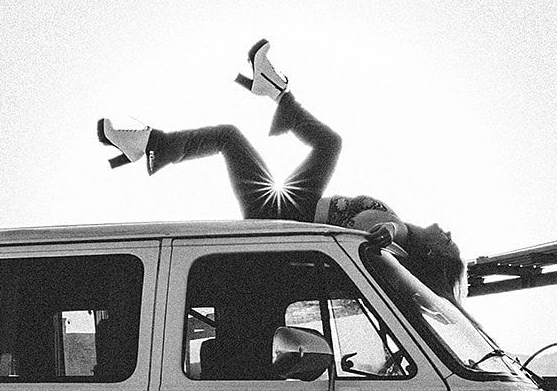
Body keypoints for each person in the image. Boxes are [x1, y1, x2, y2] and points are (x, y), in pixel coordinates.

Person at [96, 39, 466, 303]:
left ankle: (155, 144)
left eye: (448, 242)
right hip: (294, 205)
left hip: (283, 217)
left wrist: (386, 232)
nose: (448, 232)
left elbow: (386, 234)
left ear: (432, 254)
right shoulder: (399, 231)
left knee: (238, 138)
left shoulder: (396, 243)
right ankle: (272, 92)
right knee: (316, 143)